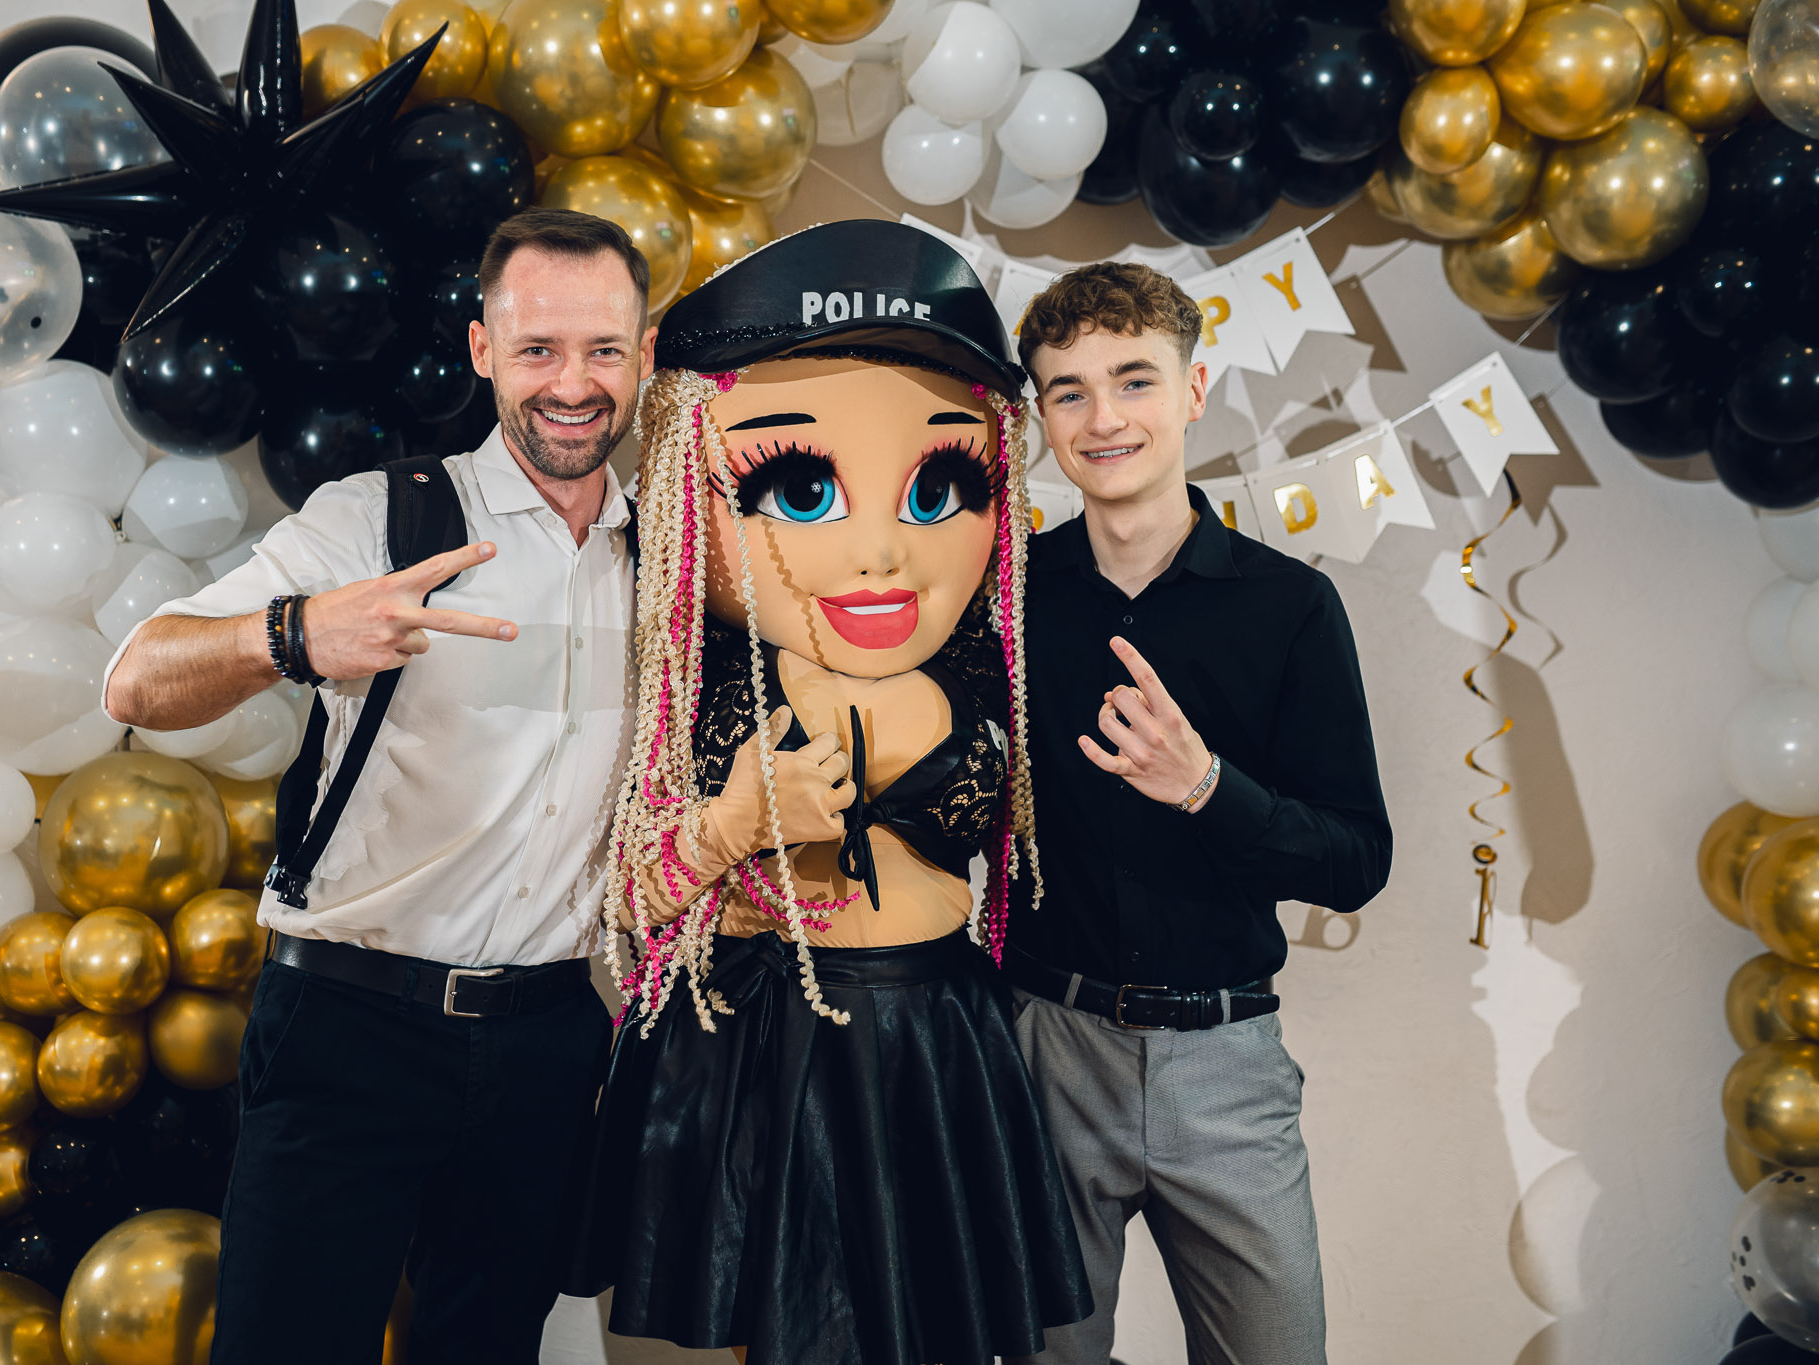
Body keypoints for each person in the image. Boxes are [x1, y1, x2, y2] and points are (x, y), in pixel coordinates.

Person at [101, 208, 652, 1365]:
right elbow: (137, 681)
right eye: (538, 348)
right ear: (482, 350)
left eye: (603, 349)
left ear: (643, 356)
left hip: (549, 1042)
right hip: (348, 1030)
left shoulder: (663, 558)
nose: (573, 384)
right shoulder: (378, 519)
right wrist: (293, 634)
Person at [566, 219, 1092, 1365]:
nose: (878, 553)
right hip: (749, 1047)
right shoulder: (680, 676)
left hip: (930, 1040)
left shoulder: (994, 658)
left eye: (940, 486)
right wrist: (730, 825)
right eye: (799, 489)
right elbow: (620, 900)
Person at [1004, 261, 1393, 1365]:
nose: (1103, 417)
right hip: (1047, 1048)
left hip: (1226, 1060)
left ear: (1191, 390)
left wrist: (1206, 787)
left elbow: (1356, 860)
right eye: (1069, 390)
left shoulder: (1290, 606)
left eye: (1133, 380)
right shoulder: (1006, 594)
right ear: (1042, 418)